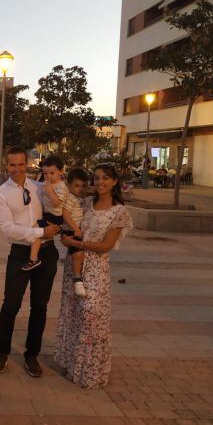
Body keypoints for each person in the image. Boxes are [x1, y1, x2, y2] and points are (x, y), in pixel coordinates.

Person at [55, 164, 133, 389]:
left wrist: (76, 243)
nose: (100, 182)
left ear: (115, 181)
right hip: (75, 266)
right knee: (74, 314)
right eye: (97, 178)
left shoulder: (119, 212)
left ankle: (90, 370)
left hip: (96, 269)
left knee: (92, 317)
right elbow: (65, 215)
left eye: (106, 178)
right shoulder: (85, 203)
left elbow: (106, 246)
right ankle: (72, 365)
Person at [0, 146, 61, 376]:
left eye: (21, 164)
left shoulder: (40, 187)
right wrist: (42, 233)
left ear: (27, 163)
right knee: (10, 304)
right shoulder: (0, 195)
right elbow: (9, 231)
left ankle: (32, 355)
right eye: (12, 164)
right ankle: (2, 352)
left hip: (47, 253)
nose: (17, 169)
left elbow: (59, 205)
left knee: (39, 306)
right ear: (6, 165)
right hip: (20, 253)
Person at [24, 155, 68, 271]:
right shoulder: (48, 183)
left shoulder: (61, 186)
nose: (48, 176)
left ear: (61, 171)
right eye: (45, 173)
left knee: (35, 233)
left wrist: (49, 191)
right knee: (36, 232)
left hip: (54, 217)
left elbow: (56, 203)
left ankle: (33, 259)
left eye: (52, 173)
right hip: (47, 214)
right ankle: (34, 257)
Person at [61, 168, 89, 297]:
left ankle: (78, 276)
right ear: (68, 185)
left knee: (79, 254)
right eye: (77, 186)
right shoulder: (70, 198)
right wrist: (76, 229)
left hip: (76, 231)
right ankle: (77, 280)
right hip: (70, 231)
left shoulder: (80, 199)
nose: (81, 189)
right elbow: (65, 214)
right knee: (77, 254)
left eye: (83, 186)